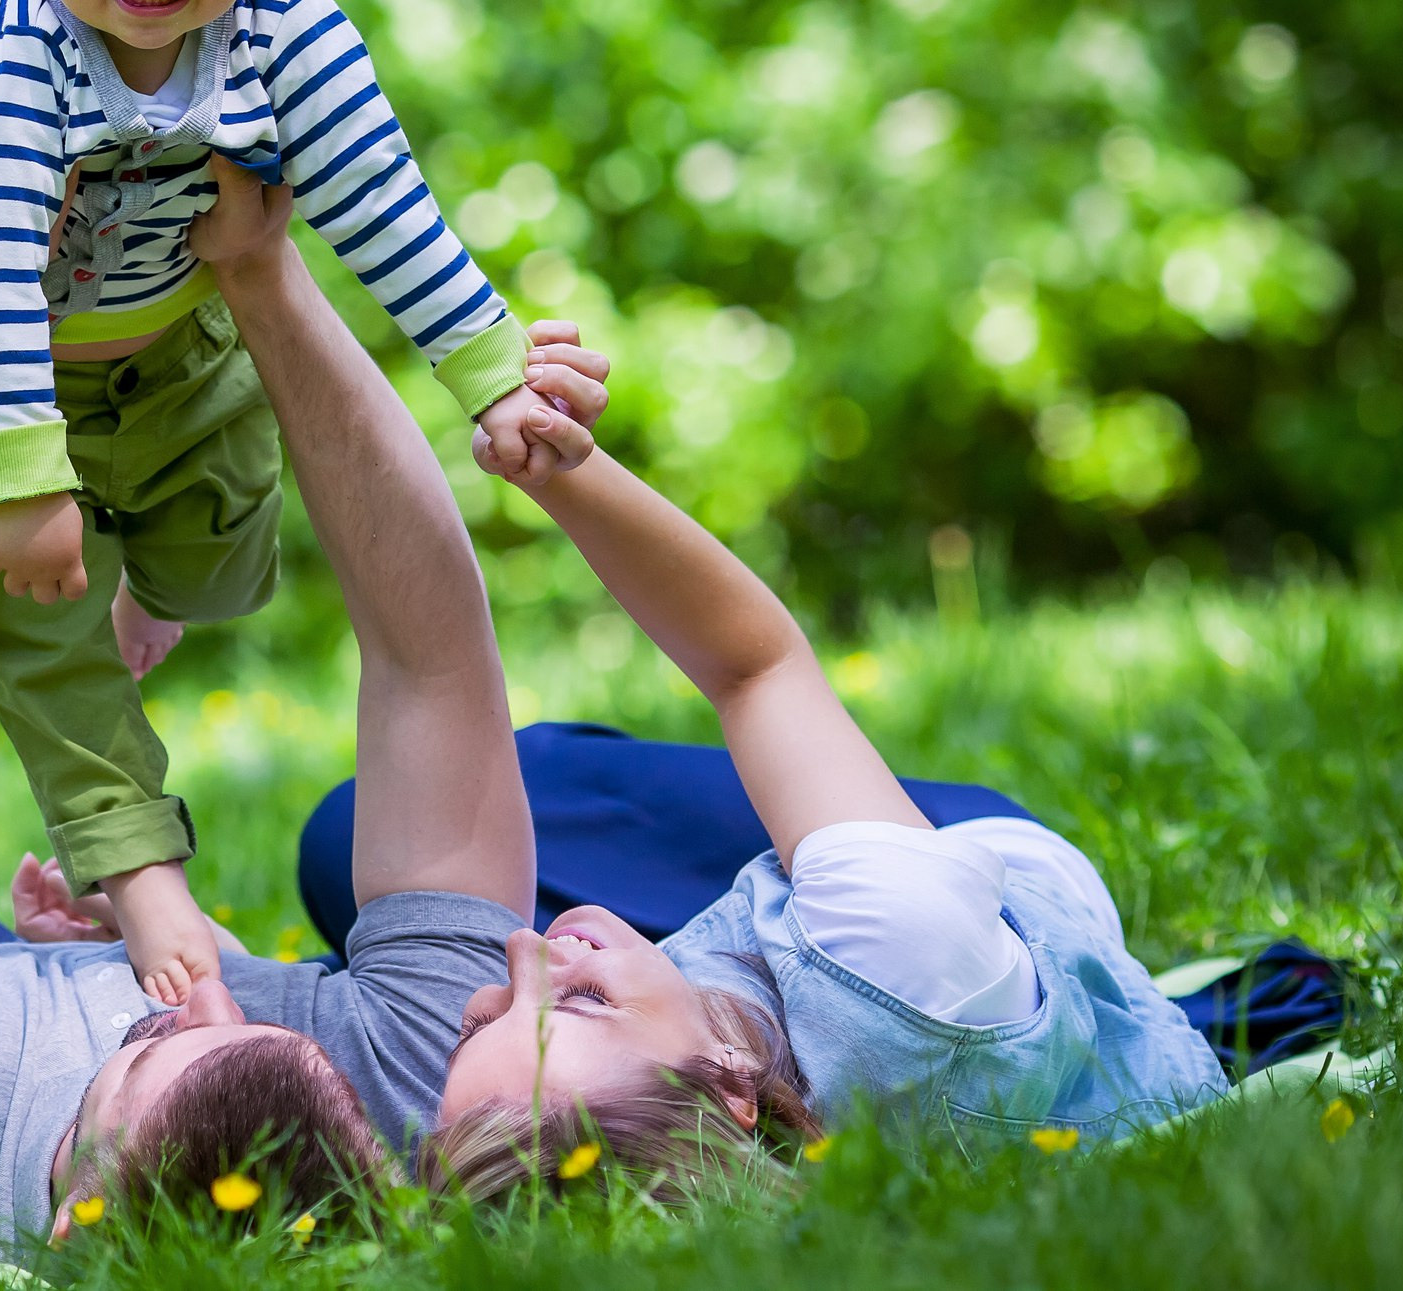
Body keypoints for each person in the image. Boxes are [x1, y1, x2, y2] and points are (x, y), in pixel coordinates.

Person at [0, 160, 608, 1261]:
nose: (208, 993)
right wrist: (257, 268)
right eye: (252, 1020)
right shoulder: (421, 1088)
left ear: (77, 1221)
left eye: (154, 1039)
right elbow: (431, 664)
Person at [0, 0, 564, 1005]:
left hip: (183, 353)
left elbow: (381, 202)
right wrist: (24, 483)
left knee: (223, 554)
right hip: (5, 382)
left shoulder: (284, 28)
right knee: (37, 640)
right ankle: (137, 871)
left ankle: (158, 598)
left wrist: (494, 375)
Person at [419, 434, 1235, 1196]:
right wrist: (562, 467)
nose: (524, 946)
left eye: (479, 1023)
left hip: (884, 995)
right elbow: (755, 668)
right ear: (733, 1086)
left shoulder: (681, 1149)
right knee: (540, 777)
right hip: (996, 876)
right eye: (584, 999)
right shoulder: (894, 938)